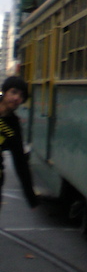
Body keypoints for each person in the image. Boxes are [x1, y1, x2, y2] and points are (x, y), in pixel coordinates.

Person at [0, 76, 40, 210]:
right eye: (13, 92)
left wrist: (31, 196)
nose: (17, 98)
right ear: (4, 92)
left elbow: (20, 162)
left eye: (21, 95)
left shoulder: (13, 126)